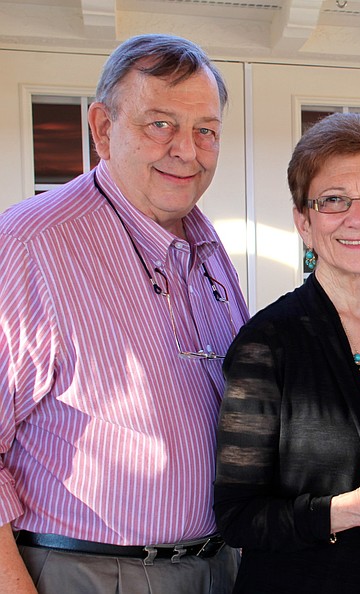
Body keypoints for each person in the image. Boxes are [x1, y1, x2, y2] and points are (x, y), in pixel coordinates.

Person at [0, 34, 249, 593]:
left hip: (215, 568)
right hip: (89, 573)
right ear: (103, 129)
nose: (187, 149)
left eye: (205, 130)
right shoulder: (30, 244)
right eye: (159, 124)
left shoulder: (206, 247)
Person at [213, 112, 360, 594]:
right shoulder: (268, 343)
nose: (357, 217)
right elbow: (238, 518)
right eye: (334, 200)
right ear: (303, 220)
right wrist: (359, 506)